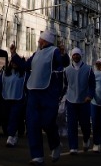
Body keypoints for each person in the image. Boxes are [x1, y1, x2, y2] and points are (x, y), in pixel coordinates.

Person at [19, 30, 69, 165]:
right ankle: (37, 156)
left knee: (47, 122)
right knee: (33, 124)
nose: (38, 42)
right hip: (34, 92)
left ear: (44, 41)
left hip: (48, 93)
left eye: (40, 40)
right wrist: (13, 55)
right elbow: (25, 66)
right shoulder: (36, 54)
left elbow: (63, 63)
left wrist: (64, 54)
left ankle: (56, 144)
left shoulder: (54, 52)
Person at [62, 47, 94, 154]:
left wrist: (90, 95)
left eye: (77, 55)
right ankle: (73, 147)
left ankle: (86, 139)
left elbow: (92, 85)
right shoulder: (66, 70)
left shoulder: (88, 69)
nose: (76, 56)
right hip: (71, 100)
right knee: (72, 124)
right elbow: (65, 85)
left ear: (81, 56)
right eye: (74, 55)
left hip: (84, 101)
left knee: (85, 125)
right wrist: (61, 96)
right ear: (72, 56)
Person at [0, 54, 27, 147]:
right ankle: (13, 134)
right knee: (6, 118)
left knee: (14, 117)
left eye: (16, 62)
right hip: (6, 98)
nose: (14, 64)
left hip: (18, 99)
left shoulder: (23, 74)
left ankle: (11, 137)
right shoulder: (4, 73)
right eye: (13, 62)